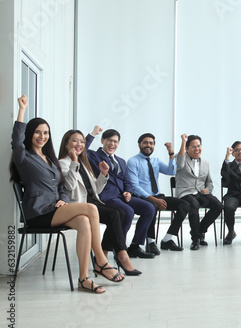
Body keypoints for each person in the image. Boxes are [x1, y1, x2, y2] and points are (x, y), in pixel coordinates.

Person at [10, 95, 124, 293]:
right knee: (90, 208)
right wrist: (22, 111)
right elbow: (16, 141)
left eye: (46, 133)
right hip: (38, 212)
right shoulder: (24, 157)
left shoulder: (50, 159)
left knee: (83, 221)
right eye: (37, 132)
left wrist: (63, 199)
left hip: (55, 209)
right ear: (30, 134)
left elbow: (61, 187)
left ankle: (83, 279)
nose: (42, 136)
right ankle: (101, 261)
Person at [58, 128, 141, 276]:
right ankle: (121, 255)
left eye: (82, 141)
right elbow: (69, 186)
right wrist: (74, 162)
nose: (79, 144)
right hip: (78, 206)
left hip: (93, 202)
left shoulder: (84, 163)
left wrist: (103, 175)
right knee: (116, 214)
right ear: (66, 144)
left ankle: (105, 256)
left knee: (119, 213)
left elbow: (95, 188)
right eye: (75, 141)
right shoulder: (63, 163)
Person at [87, 128, 156, 259]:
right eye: (109, 141)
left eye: (116, 142)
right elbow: (81, 150)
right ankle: (119, 247)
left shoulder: (121, 161)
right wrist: (92, 134)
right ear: (102, 140)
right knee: (128, 212)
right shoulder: (93, 156)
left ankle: (135, 246)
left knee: (149, 208)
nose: (112, 144)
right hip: (106, 196)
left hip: (121, 196)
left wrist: (128, 192)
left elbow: (127, 181)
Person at [127, 133, 188, 253]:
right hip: (142, 197)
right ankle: (150, 242)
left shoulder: (156, 161)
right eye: (145, 142)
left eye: (151, 143)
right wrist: (154, 200)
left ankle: (167, 239)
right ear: (139, 144)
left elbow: (172, 171)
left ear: (154, 146)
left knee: (184, 205)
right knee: (152, 206)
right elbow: (135, 187)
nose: (148, 145)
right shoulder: (133, 161)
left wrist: (170, 153)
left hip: (157, 196)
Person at [175, 134, 223, 250]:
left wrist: (208, 189)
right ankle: (196, 239)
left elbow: (209, 182)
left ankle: (200, 231)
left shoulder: (205, 163)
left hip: (200, 193)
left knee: (218, 205)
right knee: (194, 204)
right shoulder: (179, 158)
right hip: (185, 193)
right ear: (186, 148)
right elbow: (180, 163)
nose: (197, 149)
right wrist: (183, 141)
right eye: (193, 147)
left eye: (199, 146)